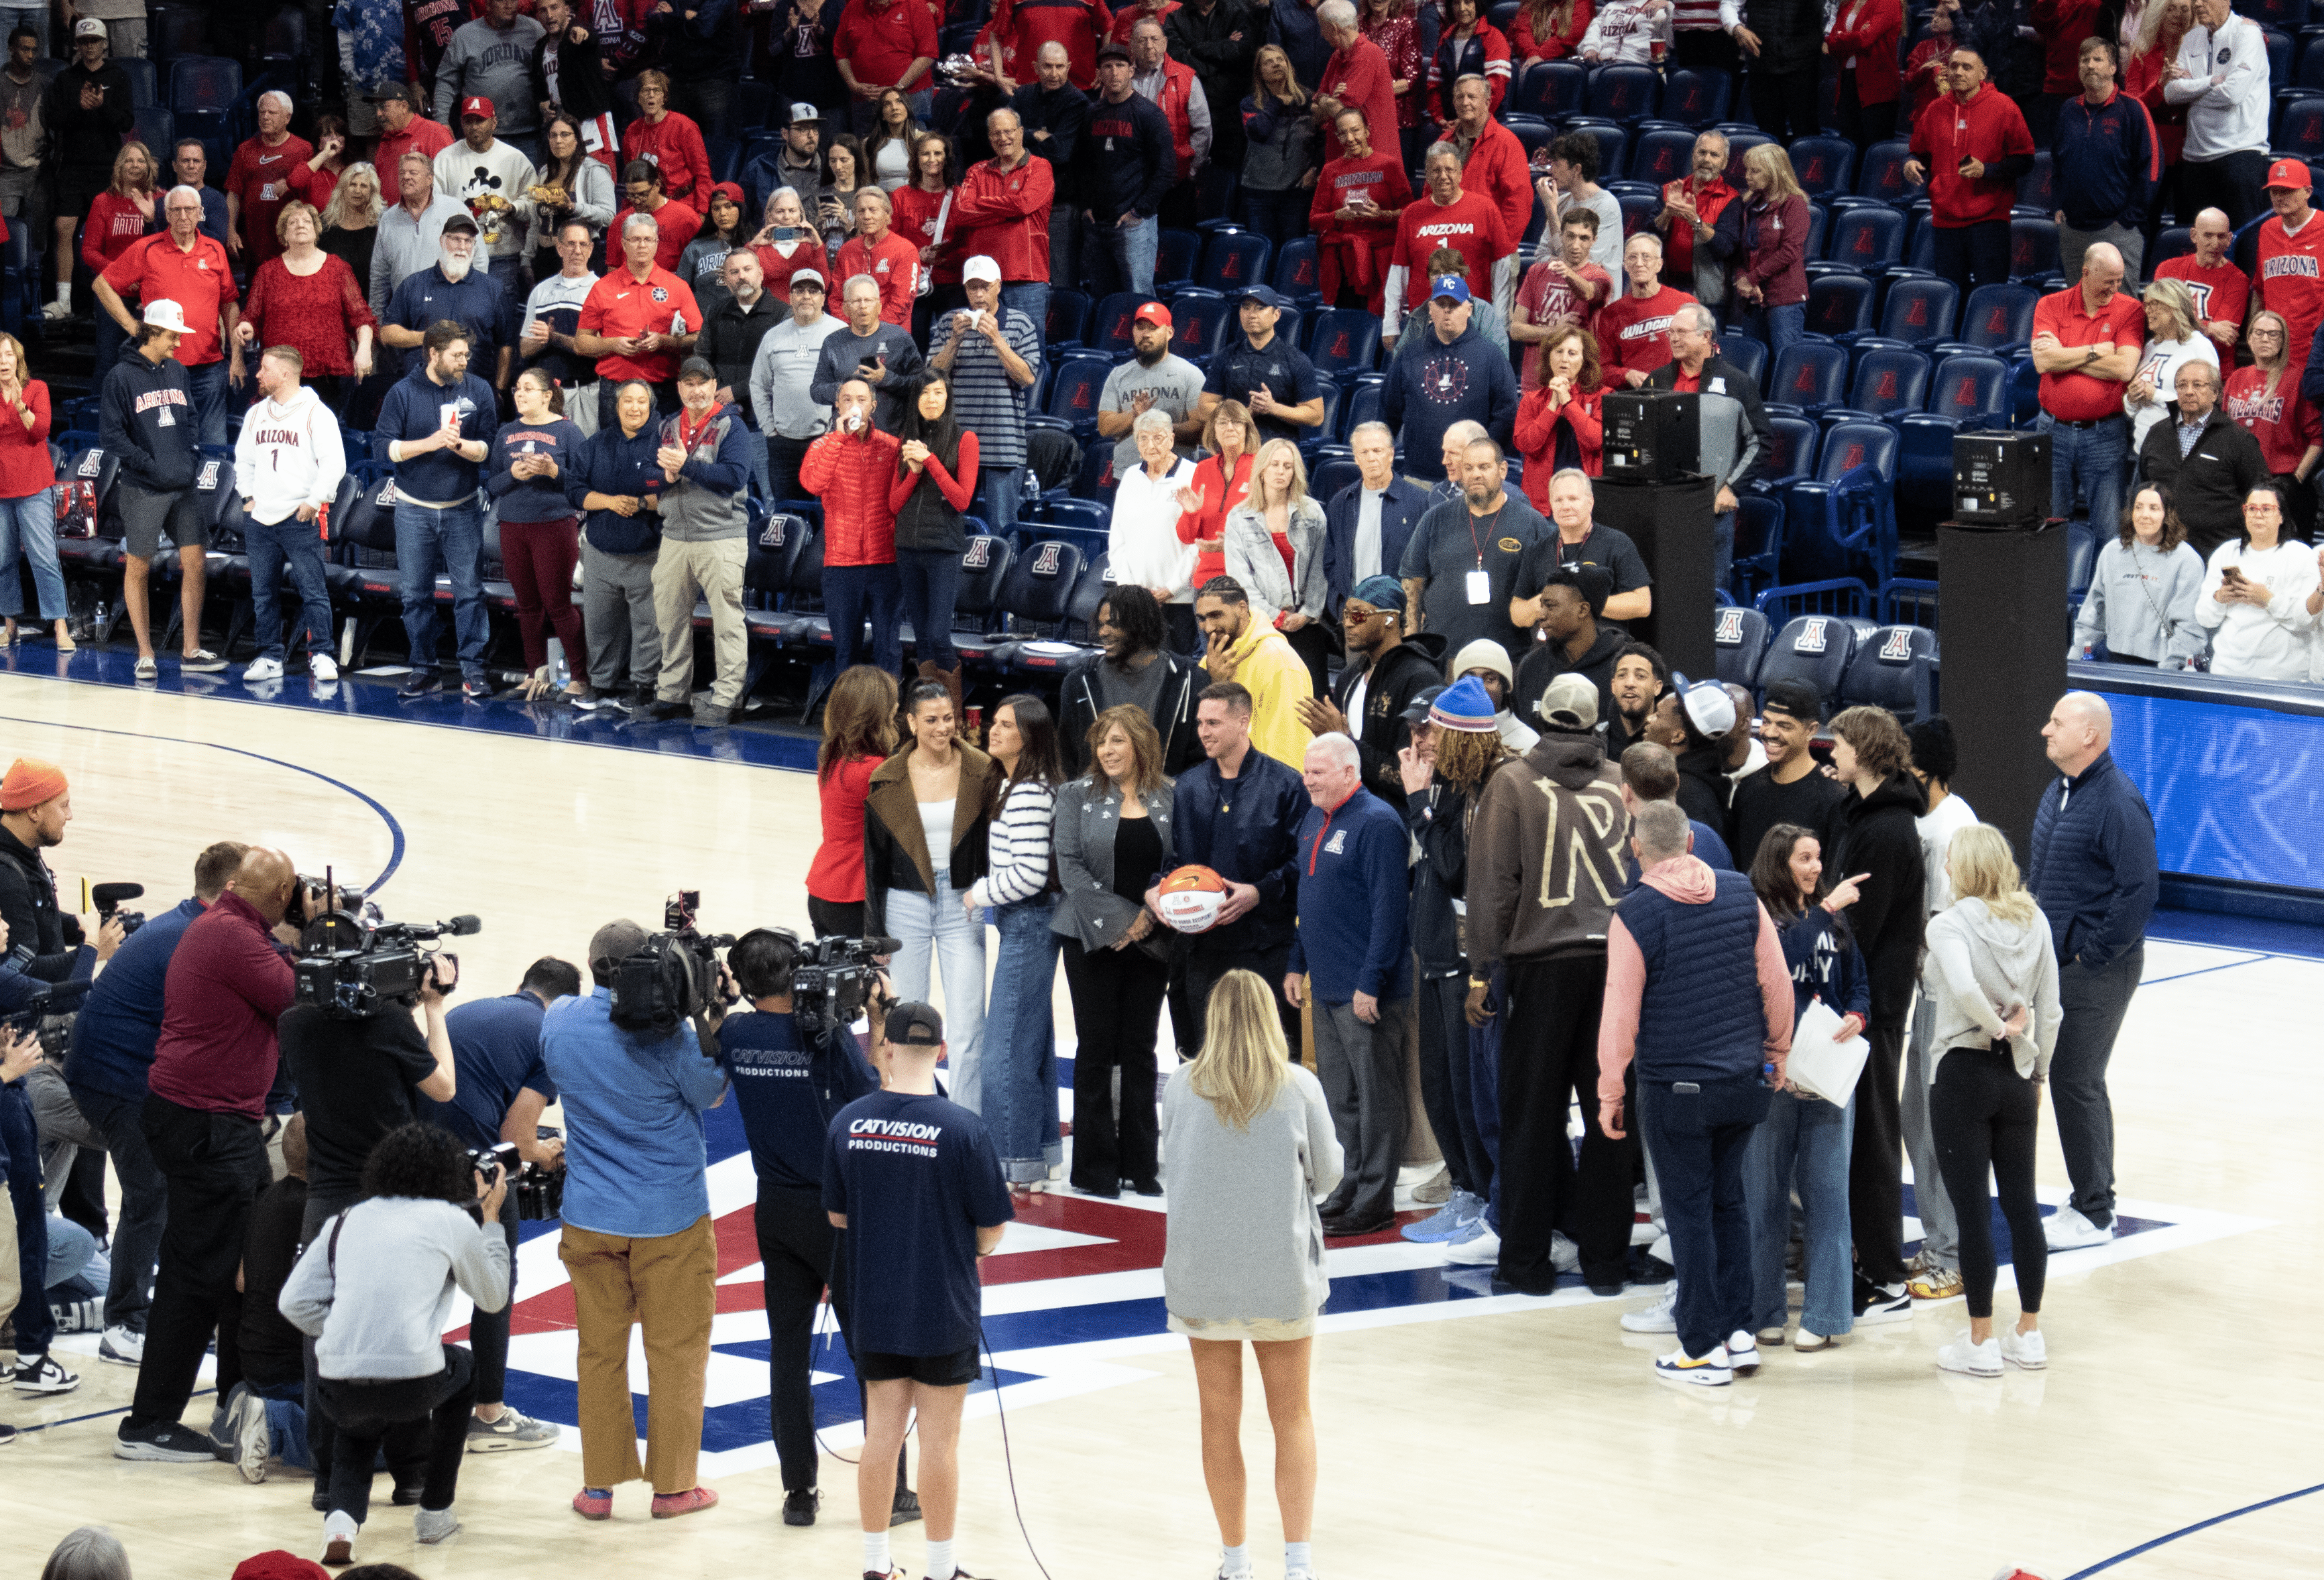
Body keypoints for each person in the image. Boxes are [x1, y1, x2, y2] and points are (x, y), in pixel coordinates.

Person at [111, 848, 300, 1462]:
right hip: (207, 1123)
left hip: (209, 1119)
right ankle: (150, 1423)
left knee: (235, 1261)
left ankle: (233, 1398)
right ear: (276, 898)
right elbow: (298, 999)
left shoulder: (222, 925)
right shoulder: (237, 940)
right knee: (199, 1273)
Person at [1598, 800, 1794, 1383]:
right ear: (1689, 842)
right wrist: (1777, 1053)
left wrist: (1611, 1091)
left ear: (1637, 849)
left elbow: (1619, 1014)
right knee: (1727, 1203)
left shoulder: (1634, 913)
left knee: (1687, 1214)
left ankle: (1702, 1348)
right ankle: (1739, 1332)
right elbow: (1775, 981)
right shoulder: (1741, 892)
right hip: (1742, 1082)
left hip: (1676, 1087)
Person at [544, 916, 732, 1520]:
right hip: (671, 1219)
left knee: (598, 1352)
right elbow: (711, 1093)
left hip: (590, 1216)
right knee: (676, 1352)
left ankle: (598, 1487)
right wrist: (711, 1016)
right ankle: (674, 1487)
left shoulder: (561, 1021)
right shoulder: (670, 1033)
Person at [825, 999, 1010, 1580]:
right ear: (943, 1052)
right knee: (939, 1445)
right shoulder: (964, 1129)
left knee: (881, 1434)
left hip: (875, 1303)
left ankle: (877, 1566)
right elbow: (991, 1231)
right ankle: (940, 1567)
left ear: (884, 1049)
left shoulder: (849, 1122)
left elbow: (837, 1217)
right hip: (943, 1306)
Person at [1162, 967, 1336, 1580]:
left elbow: (1168, 1163)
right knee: (1292, 1417)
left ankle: (1234, 1562)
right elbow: (1332, 1174)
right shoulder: (1299, 1086)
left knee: (1218, 1419)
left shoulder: (1181, 1086)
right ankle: (1298, 1563)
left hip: (1199, 1273)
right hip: (1280, 1273)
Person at [279, 1125, 510, 1564]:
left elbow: (293, 1302)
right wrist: (492, 1220)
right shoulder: (450, 1220)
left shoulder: (344, 1220)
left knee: (356, 1428)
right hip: (413, 1381)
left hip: (340, 1378)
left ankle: (340, 1526)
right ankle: (435, 1511)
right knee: (463, 1371)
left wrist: (345, 1332)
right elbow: (493, 1296)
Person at [1466, 674, 1629, 1294]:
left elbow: (1494, 887)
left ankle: (1528, 1262)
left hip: (1540, 967)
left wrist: (1482, 969)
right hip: (1615, 966)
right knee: (1610, 1112)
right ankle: (1606, 1262)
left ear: (1539, 715)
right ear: (1596, 722)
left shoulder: (1512, 782)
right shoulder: (1620, 781)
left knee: (1531, 1116)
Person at [61, 842, 244, 1365]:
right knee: (153, 1193)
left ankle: (174, 1307)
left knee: (182, 1186)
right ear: (232, 890)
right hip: (116, 1081)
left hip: (129, 1073)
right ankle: (124, 1324)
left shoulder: (194, 926)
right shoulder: (191, 939)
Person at [1923, 824, 2062, 1376]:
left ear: (1965, 867)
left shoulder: (1949, 924)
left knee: (1973, 1210)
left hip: (1962, 1071)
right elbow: (2050, 1010)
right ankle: (2029, 1331)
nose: (1947, 869)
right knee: (2023, 1205)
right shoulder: (2035, 919)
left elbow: (1960, 987)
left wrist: (1994, 1028)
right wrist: (2037, 1069)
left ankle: (1980, 1340)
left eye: (1952, 860)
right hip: (2017, 1078)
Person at [2028, 692, 2157, 1252]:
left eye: (2057, 722)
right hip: (2058, 962)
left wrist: (2091, 954)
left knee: (2076, 1078)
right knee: (2075, 1078)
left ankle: (2095, 1211)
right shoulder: (2060, 791)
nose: (2044, 730)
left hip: (2098, 966)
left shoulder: (2118, 801)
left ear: (2091, 737)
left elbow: (2139, 891)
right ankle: (2091, 1196)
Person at [1743, 823, 1867, 1352]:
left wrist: (1858, 1015)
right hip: (1774, 1075)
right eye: (1805, 859)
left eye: (1819, 858)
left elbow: (1858, 981)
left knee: (1829, 1196)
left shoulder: (1834, 924)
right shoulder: (1759, 918)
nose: (1817, 868)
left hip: (1828, 1075)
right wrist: (1825, 912)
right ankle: (1763, 1311)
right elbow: (1785, 960)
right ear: (1778, 863)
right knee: (1763, 1197)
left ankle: (1826, 1312)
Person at [1280, 733, 1411, 1237]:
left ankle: (1376, 1198)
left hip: (1366, 990)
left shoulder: (1378, 823)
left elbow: (1390, 912)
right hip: (1327, 985)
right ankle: (1352, 1183)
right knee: (1341, 1095)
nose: (1307, 779)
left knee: (1377, 1097)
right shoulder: (1314, 818)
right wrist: (1296, 963)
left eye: (1317, 771)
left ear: (1350, 771)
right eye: (1306, 770)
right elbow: (1307, 899)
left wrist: (1371, 981)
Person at [1393, 677, 1507, 1255]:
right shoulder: (1446, 787)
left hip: (1469, 963)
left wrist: (1419, 804)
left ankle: (1485, 1195)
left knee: (1469, 1094)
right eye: (1417, 729)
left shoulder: (1479, 791)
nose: (1422, 740)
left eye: (1431, 729)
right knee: (1439, 1089)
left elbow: (1453, 868)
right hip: (1435, 951)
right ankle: (1465, 1188)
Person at [1825, 705, 1928, 1327]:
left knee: (1873, 1139)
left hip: (1873, 1008)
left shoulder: (1886, 829)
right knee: (1862, 1136)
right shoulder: (1859, 815)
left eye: (1835, 743)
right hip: (1859, 1003)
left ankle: (1886, 1277)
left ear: (1861, 750)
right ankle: (1869, 1261)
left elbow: (1858, 925)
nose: (1827, 753)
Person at [1052, 703, 1177, 1196]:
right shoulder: (1075, 795)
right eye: (1101, 741)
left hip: (1153, 938)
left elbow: (1180, 860)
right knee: (1096, 1047)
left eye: (1118, 740)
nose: (1106, 749)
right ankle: (1096, 1167)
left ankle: (1141, 1164)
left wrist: (1149, 919)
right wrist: (1125, 921)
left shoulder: (1171, 795)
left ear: (1141, 743)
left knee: (1141, 1049)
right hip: (1090, 939)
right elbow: (1071, 871)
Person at [865, 680, 1000, 1112]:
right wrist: (874, 936)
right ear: (910, 722)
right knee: (906, 1017)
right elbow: (873, 865)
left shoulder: (983, 769)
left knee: (967, 1024)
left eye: (949, 718)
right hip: (904, 904)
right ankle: (909, 1109)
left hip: (963, 902)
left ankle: (966, 1122)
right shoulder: (886, 777)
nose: (943, 728)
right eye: (931, 720)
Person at [1158, 681, 1312, 1054]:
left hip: (1266, 947)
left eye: (1213, 723)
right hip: (1202, 948)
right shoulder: (1188, 787)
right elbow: (1177, 861)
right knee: (1204, 1060)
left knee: (1270, 1061)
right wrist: (1158, 887)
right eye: (1199, 723)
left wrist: (1259, 891)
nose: (1202, 732)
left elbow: (1305, 865)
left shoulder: (1287, 785)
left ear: (1243, 722)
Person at [99, 300, 224, 680]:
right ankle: (145, 653)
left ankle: (191, 648)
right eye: (172, 336)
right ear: (151, 331)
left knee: (196, 561)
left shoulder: (179, 372)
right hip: (143, 488)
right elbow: (111, 436)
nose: (178, 344)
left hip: (182, 485)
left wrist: (190, 457)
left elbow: (190, 420)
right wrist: (149, 465)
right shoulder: (120, 377)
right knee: (139, 566)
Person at [377, 320, 500, 702]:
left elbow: (491, 448)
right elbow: (384, 449)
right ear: (433, 354)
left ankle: (473, 670)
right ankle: (423, 669)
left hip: (463, 507)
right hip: (413, 508)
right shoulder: (402, 392)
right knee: (415, 594)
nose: (465, 360)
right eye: (457, 355)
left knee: (470, 593)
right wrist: (428, 444)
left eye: (467, 354)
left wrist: (462, 447)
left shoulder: (478, 389)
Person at [642, 357, 754, 726]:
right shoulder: (667, 426)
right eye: (688, 384)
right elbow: (650, 478)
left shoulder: (732, 427)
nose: (696, 390)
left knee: (727, 622)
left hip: (721, 537)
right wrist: (667, 477)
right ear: (679, 388)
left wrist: (686, 466)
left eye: (702, 383)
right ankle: (673, 694)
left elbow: (735, 477)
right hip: (674, 537)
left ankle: (727, 698)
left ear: (714, 384)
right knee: (670, 620)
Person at [93, 182, 240, 451]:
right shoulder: (146, 248)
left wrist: (237, 357)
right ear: (167, 214)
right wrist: (134, 327)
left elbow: (229, 303)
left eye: (189, 209)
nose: (183, 216)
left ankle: (209, 495)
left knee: (213, 449)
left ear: (200, 213)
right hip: (159, 369)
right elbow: (102, 285)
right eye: (176, 210)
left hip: (208, 367)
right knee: (165, 447)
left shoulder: (216, 250)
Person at [232, 346, 347, 687]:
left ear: (285, 374)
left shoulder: (317, 413)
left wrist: (314, 501)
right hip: (261, 518)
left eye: (264, 369)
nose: (257, 375)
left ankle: (323, 654)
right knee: (263, 592)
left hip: (300, 516)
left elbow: (334, 465)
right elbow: (243, 460)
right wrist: (248, 497)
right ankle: (269, 657)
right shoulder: (256, 414)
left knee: (313, 590)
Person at [483, 369, 593, 703]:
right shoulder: (506, 432)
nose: (519, 394)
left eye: (528, 389)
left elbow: (584, 484)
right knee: (527, 605)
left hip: (554, 524)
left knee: (558, 603)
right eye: (517, 389)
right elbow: (492, 485)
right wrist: (513, 475)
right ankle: (534, 673)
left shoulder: (568, 432)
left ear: (547, 395)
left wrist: (553, 472)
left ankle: (579, 676)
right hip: (513, 525)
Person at [1399, 434, 1548, 662]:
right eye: (1468, 468)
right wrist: (1410, 641)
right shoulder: (1435, 518)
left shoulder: (1532, 522)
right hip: (1442, 655)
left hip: (1508, 658)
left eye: (1484, 467)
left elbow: (1547, 590)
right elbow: (1412, 582)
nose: (1476, 474)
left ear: (1503, 470)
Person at [1299, 576, 1442, 811]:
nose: (1348, 623)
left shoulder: (1420, 677)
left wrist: (1345, 741)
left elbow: (1410, 772)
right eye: (1345, 615)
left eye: (1358, 615)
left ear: (1390, 618)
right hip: (1348, 812)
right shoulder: (1349, 677)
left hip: (1396, 819)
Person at [1907, 48, 2036, 303]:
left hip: (1990, 221)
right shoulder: (1935, 110)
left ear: (1983, 73)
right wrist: (1910, 162)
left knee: (1990, 301)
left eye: (1967, 67)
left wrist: (1987, 170)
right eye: (1954, 66)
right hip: (1945, 221)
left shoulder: (2004, 107)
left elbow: (2025, 161)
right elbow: (1918, 152)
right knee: (1950, 300)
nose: (1958, 72)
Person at [566, 379, 666, 709]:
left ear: (650, 406)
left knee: (648, 627)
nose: (634, 408)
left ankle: (643, 686)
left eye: (641, 401)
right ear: (617, 406)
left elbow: (674, 494)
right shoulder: (596, 443)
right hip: (601, 551)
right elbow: (575, 490)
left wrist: (639, 504)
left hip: (649, 552)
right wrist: (610, 502)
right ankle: (602, 684)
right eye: (628, 401)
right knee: (599, 624)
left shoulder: (665, 442)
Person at [2032, 243, 2144, 532]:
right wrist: (2097, 350)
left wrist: (2065, 356)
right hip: (2053, 431)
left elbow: (2124, 368)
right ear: (2086, 272)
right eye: (2109, 281)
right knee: (2052, 525)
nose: (2115, 287)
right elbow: (2044, 362)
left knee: (2109, 528)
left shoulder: (2130, 310)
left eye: (2119, 280)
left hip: (2104, 434)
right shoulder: (2050, 305)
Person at [929, 257, 1040, 536]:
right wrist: (954, 340)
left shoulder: (1020, 323)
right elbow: (931, 377)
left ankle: (1003, 580)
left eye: (985, 287)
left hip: (1003, 443)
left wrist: (998, 340)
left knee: (1002, 527)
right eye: (972, 287)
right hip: (956, 442)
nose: (978, 294)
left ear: (998, 287)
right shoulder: (949, 323)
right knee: (950, 523)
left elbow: (1027, 378)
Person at [888, 369, 978, 713]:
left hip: (944, 549)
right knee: (922, 637)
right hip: (908, 547)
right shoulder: (905, 440)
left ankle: (954, 720)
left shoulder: (965, 439)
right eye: (925, 393)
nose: (931, 400)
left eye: (938, 393)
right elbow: (894, 505)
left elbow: (962, 500)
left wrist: (931, 463)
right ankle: (930, 718)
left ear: (948, 397)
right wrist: (912, 473)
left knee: (939, 635)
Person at [235, 202, 379, 413]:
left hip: (331, 379)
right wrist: (245, 327)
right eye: (293, 222)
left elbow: (362, 320)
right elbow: (251, 317)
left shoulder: (338, 269)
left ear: (316, 230)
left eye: (306, 221)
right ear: (284, 233)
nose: (300, 225)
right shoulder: (268, 272)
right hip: (281, 376)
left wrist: (364, 350)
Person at [1383, 273, 1519, 485]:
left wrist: (1480, 458)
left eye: (1454, 304)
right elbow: (1388, 411)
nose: (1447, 310)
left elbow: (1506, 413)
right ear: (1430, 309)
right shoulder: (1409, 355)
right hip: (1417, 478)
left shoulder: (1491, 356)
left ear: (1469, 310)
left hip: (1471, 480)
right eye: (1441, 303)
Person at [38, 17, 132, 323]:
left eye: (94, 41)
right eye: (84, 41)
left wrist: (102, 105)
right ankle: (64, 301)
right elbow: (54, 122)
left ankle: (108, 297)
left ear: (105, 43)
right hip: (72, 165)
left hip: (107, 165)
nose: (89, 46)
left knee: (107, 235)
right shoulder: (66, 79)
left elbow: (126, 123)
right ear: (77, 45)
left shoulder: (118, 77)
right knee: (63, 228)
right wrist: (78, 106)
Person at [1223, 439, 1333, 694]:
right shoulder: (1239, 517)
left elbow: (1321, 570)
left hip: (1306, 625)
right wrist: (1277, 616)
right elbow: (1241, 581)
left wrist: (1306, 614)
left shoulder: (1312, 512)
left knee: (1311, 699)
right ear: (1262, 469)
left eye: (1287, 466)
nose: (1281, 471)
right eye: (1274, 465)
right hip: (1262, 625)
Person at [1381, 140, 1515, 347]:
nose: (1443, 176)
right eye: (1435, 170)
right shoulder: (1410, 215)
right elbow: (1399, 271)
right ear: (1426, 175)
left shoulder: (1485, 209)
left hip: (1473, 320)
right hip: (1424, 321)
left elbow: (1502, 268)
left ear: (1460, 173)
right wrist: (1390, 324)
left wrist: (1498, 321)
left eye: (1449, 169)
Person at [2136, 359, 2267, 560]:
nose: (2189, 391)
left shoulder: (2238, 439)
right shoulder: (2157, 434)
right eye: (2182, 385)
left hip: (2216, 554)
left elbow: (2260, 496)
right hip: (2160, 550)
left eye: (2198, 385)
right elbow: (2143, 488)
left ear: (2215, 393)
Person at [2052, 38, 2157, 284]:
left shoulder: (2133, 109)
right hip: (2073, 231)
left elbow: (2151, 169)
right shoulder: (2068, 110)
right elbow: (2057, 162)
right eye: (2084, 60)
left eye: (2098, 59)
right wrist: (2058, 204)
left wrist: (2127, 219)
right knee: (2079, 310)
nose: (2090, 65)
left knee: (2119, 311)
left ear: (2113, 68)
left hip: (2117, 230)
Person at [2073, 480, 2207, 665]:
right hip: (2114, 660)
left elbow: (2190, 629)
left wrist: (2169, 673)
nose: (2145, 515)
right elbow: (2093, 615)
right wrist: (2075, 661)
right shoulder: (2112, 552)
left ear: (2167, 515)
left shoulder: (2187, 560)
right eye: (2139, 507)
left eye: (2154, 508)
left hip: (2163, 666)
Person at [1510, 469, 1653, 640]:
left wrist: (1587, 601)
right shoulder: (1537, 550)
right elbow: (1517, 614)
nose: (1566, 506)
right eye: (1558, 500)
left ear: (1590, 502)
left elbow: (1643, 604)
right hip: (1551, 656)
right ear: (1551, 504)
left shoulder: (1616, 543)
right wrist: (1545, 601)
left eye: (1573, 499)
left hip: (1604, 655)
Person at [1078, 42, 1174, 297]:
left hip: (1134, 224)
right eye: (1107, 67)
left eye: (1120, 66)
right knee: (1103, 298)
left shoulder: (1149, 114)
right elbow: (1084, 164)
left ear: (1131, 71)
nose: (1114, 72)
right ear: (1099, 73)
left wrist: (1139, 211)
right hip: (1098, 222)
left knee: (1138, 296)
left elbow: (1166, 170)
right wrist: (1086, 205)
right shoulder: (1092, 113)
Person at [2196, 480, 2318, 677]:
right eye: (2252, 508)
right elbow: (2204, 618)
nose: (2258, 514)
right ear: (2244, 513)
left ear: (2281, 516)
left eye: (2267, 509)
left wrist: (2268, 599)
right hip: (2228, 670)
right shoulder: (2227, 552)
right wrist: (2219, 598)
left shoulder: (2301, 556)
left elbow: (2307, 620)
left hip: (2283, 676)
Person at [2166, 0, 2268, 229]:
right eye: (2194, 0)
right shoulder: (2192, 38)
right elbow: (2171, 93)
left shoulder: (2247, 34)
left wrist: (2190, 87)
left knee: (2243, 245)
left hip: (2239, 154)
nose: (2198, 4)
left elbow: (2233, 93)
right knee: (2197, 251)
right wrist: (2210, 82)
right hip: (2195, 159)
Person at [1195, 576, 1317, 766]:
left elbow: (1286, 755)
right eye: (1202, 618)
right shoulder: (1210, 662)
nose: (1208, 627)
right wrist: (1213, 682)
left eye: (1216, 615)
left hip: (1264, 789)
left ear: (1242, 608)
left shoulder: (1280, 662)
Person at [1114, 407, 1206, 650]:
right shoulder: (1131, 477)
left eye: (1158, 437)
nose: (1151, 445)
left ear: (1172, 438)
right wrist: (1129, 588)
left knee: (1174, 669)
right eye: (1143, 438)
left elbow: (1197, 540)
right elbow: (1117, 538)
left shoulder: (1193, 474)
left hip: (1179, 599)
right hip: (1135, 599)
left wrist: (1172, 588)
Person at [1727, 679, 1845, 867]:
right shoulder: (1748, 788)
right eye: (1766, 721)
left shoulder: (1833, 800)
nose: (1770, 733)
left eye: (1784, 726)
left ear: (1811, 730)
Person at [1322, 422, 1430, 618]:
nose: (1371, 458)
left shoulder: (1420, 502)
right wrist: (1339, 604)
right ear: (1355, 458)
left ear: (1391, 454)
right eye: (1364, 452)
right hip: (1354, 617)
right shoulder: (1341, 503)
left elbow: (1429, 563)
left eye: (1377, 450)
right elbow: (1331, 563)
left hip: (1401, 618)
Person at [370, 152, 496, 322]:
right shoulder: (388, 219)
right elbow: (380, 276)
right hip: (405, 317)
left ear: (430, 179)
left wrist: (470, 303)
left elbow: (479, 258)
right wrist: (377, 320)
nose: (406, 177)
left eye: (413, 173)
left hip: (450, 314)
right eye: (402, 173)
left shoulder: (455, 209)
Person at [1198, 286, 1328, 447]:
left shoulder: (1296, 360)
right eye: (1246, 308)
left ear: (1276, 315)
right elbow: (1204, 407)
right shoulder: (1226, 356)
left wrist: (1273, 408)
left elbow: (1316, 415)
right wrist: (1245, 413)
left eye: (1260, 308)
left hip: (1276, 451)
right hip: (1234, 447)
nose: (1251, 314)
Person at [1310, 106, 1409, 314]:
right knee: (1349, 318)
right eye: (1343, 133)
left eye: (1355, 130)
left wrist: (1383, 215)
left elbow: (1410, 213)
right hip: (1345, 261)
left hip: (1383, 256)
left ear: (1367, 130)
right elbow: (1314, 219)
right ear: (1337, 136)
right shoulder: (1330, 170)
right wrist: (1338, 215)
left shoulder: (1389, 166)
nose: (1351, 138)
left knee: (1382, 320)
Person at [76, 140, 158, 384]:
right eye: (129, 160)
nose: (135, 165)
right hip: (112, 291)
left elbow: (164, 247)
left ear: (149, 166)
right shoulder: (103, 201)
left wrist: (154, 217)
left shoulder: (159, 198)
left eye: (141, 160)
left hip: (149, 292)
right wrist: (120, 275)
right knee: (108, 360)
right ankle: (100, 414)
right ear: (119, 166)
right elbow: (89, 251)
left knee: (147, 361)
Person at [1511, 562, 1625, 735]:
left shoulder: (1624, 667)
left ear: (1582, 609)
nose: (1541, 615)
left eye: (1550, 606)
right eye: (1542, 606)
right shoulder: (1531, 667)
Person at [0, 331, 61, 651]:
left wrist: (20, 403)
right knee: (2, 559)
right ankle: (9, 624)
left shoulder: (37, 389)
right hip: (0, 488)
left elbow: (40, 431)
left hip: (34, 484)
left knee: (44, 557)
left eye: (8, 354)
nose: (3, 361)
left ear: (18, 359)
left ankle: (60, 625)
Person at [1100, 301, 1208, 480]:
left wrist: (1160, 429)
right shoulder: (1118, 375)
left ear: (1169, 332)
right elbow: (1104, 427)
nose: (1146, 334)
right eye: (1140, 328)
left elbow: (1200, 428)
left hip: (1176, 475)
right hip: (1128, 475)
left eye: (1153, 328)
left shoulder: (1190, 374)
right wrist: (1134, 415)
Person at [2238, 311, 2324, 537]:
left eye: (2274, 334)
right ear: (2249, 337)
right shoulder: (2236, 379)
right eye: (2259, 333)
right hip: (2243, 486)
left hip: (2286, 485)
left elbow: (2318, 437)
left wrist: (2296, 479)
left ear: (2284, 341)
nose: (2265, 339)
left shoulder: (2297, 379)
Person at [807, 273, 923, 434]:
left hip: (891, 437)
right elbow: (816, 391)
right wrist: (846, 388)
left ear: (880, 306)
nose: (863, 306)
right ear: (845, 308)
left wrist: (886, 379)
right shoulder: (833, 343)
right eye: (856, 301)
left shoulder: (899, 338)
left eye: (869, 300)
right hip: (847, 436)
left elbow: (921, 385)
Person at [434, 99, 539, 269]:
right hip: (459, 256)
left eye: (480, 120)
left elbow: (535, 203)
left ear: (494, 122)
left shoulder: (515, 158)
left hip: (504, 255)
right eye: (469, 121)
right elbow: (435, 206)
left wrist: (512, 207)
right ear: (461, 123)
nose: (474, 127)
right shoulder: (445, 159)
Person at [1729, 144, 1810, 363]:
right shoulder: (1748, 205)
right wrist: (1743, 281)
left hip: (1785, 299)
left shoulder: (1794, 204)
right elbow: (1740, 253)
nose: (1748, 177)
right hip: (1753, 300)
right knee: (1752, 364)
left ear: (1775, 171)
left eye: (1755, 171)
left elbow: (1790, 251)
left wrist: (1752, 278)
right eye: (1747, 170)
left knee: (1785, 362)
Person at [433, 0, 546, 152]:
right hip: (482, 135)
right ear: (487, 5)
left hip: (530, 134)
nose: (509, 5)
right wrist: (441, 122)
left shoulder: (535, 29)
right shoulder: (465, 35)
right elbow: (446, 81)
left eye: (513, 0)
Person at [1173, 398, 1259, 597]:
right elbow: (1186, 537)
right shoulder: (1203, 469)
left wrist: (1230, 545)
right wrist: (1191, 513)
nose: (1229, 427)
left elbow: (1271, 530)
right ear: (1213, 430)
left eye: (1236, 422)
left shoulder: (1261, 467)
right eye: (1222, 422)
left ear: (1247, 428)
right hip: (1206, 582)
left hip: (1247, 581)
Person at [2123, 278, 2219, 453]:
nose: (2148, 311)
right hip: (2143, 451)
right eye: (2147, 304)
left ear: (2174, 306)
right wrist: (2131, 398)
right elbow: (2133, 410)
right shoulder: (2151, 346)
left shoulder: (2198, 346)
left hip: (2179, 453)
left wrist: (2155, 395)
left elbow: (2205, 406)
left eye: (2155, 304)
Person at [1234, 45, 1317, 247]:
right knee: (1263, 250)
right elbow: (1259, 132)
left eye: (1281, 60)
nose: (1276, 64)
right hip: (1258, 191)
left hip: (1295, 191)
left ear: (1289, 66)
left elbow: (1322, 139)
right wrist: (1276, 102)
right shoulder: (1250, 103)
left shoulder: (1308, 100)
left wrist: (1316, 169)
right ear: (1260, 72)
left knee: (1292, 250)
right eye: (1268, 62)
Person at [225, 91, 312, 270]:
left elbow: (311, 196)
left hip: (291, 239)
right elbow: (233, 194)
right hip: (254, 240)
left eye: (272, 113)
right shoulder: (245, 150)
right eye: (262, 112)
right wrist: (231, 231)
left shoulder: (304, 150)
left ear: (287, 118)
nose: (265, 117)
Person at [1653, 132, 1737, 310]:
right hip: (1667, 287)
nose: (1706, 159)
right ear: (1693, 155)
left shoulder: (1731, 199)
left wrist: (1695, 220)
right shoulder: (1670, 190)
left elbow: (1725, 247)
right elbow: (1649, 235)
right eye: (1702, 152)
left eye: (1714, 155)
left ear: (1725, 162)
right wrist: (1668, 211)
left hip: (1708, 295)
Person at [2257, 161, 2324, 383]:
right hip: (2276, 351)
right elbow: (2259, 289)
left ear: (2308, 192)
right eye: (2275, 191)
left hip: (2316, 353)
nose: (2280, 197)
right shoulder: (2267, 231)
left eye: (2288, 191)